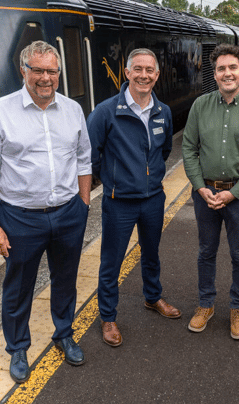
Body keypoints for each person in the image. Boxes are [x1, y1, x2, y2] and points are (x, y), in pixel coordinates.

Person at [0, 40, 92, 383]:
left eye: (51, 71)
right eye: (37, 70)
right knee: (19, 285)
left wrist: (83, 203)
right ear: (23, 70)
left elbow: (83, 159)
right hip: (21, 217)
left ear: (59, 73)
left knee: (66, 279)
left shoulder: (72, 110)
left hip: (69, 212)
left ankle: (64, 334)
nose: (45, 78)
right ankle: (18, 347)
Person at [87, 48, 180, 348]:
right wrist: (117, 180)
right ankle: (108, 317)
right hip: (119, 202)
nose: (144, 75)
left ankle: (153, 298)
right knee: (111, 262)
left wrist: (149, 178)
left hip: (153, 198)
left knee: (151, 254)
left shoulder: (162, 111)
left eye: (149, 70)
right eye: (137, 69)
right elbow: (91, 155)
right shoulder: (105, 111)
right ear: (126, 73)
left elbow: (164, 151)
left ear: (157, 74)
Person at [182, 43, 239, 340]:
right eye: (221, 68)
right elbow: (189, 149)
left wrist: (236, 193)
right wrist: (199, 187)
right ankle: (205, 304)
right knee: (206, 252)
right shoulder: (200, 106)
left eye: (233, 67)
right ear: (215, 74)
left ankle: (237, 308)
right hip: (205, 194)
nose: (227, 73)